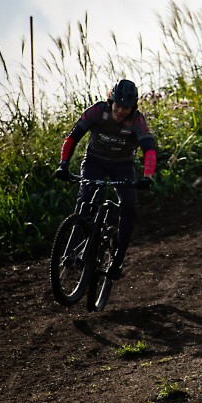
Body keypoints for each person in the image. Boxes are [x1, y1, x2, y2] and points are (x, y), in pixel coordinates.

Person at [54, 78, 157, 279]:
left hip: (122, 166)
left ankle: (118, 258)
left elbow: (150, 150)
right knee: (86, 200)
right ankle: (74, 250)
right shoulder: (97, 111)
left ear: (133, 107)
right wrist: (63, 165)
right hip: (94, 161)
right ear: (111, 101)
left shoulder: (137, 121)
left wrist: (147, 177)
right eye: (118, 106)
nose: (120, 112)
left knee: (128, 205)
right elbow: (72, 137)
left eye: (125, 108)